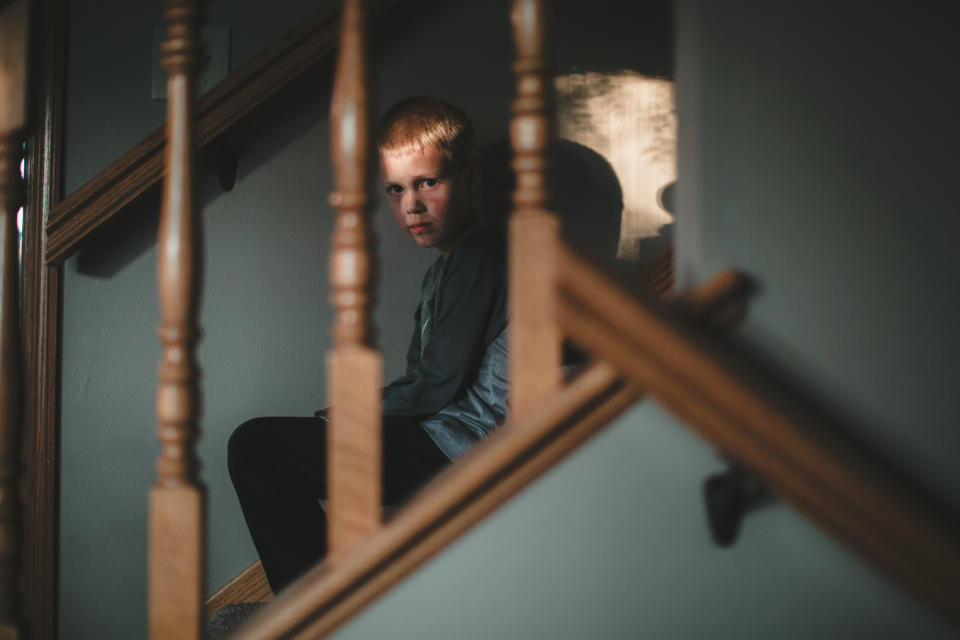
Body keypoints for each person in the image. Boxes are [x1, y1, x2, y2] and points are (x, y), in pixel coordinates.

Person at [228, 96, 508, 593]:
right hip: (434, 434)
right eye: (396, 190)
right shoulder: (442, 271)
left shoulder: (479, 258)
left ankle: (318, 611)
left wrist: (355, 419)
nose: (411, 205)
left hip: (458, 444)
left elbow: (438, 384)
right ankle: (322, 602)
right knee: (272, 442)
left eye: (428, 182)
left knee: (256, 446)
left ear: (470, 178)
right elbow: (421, 376)